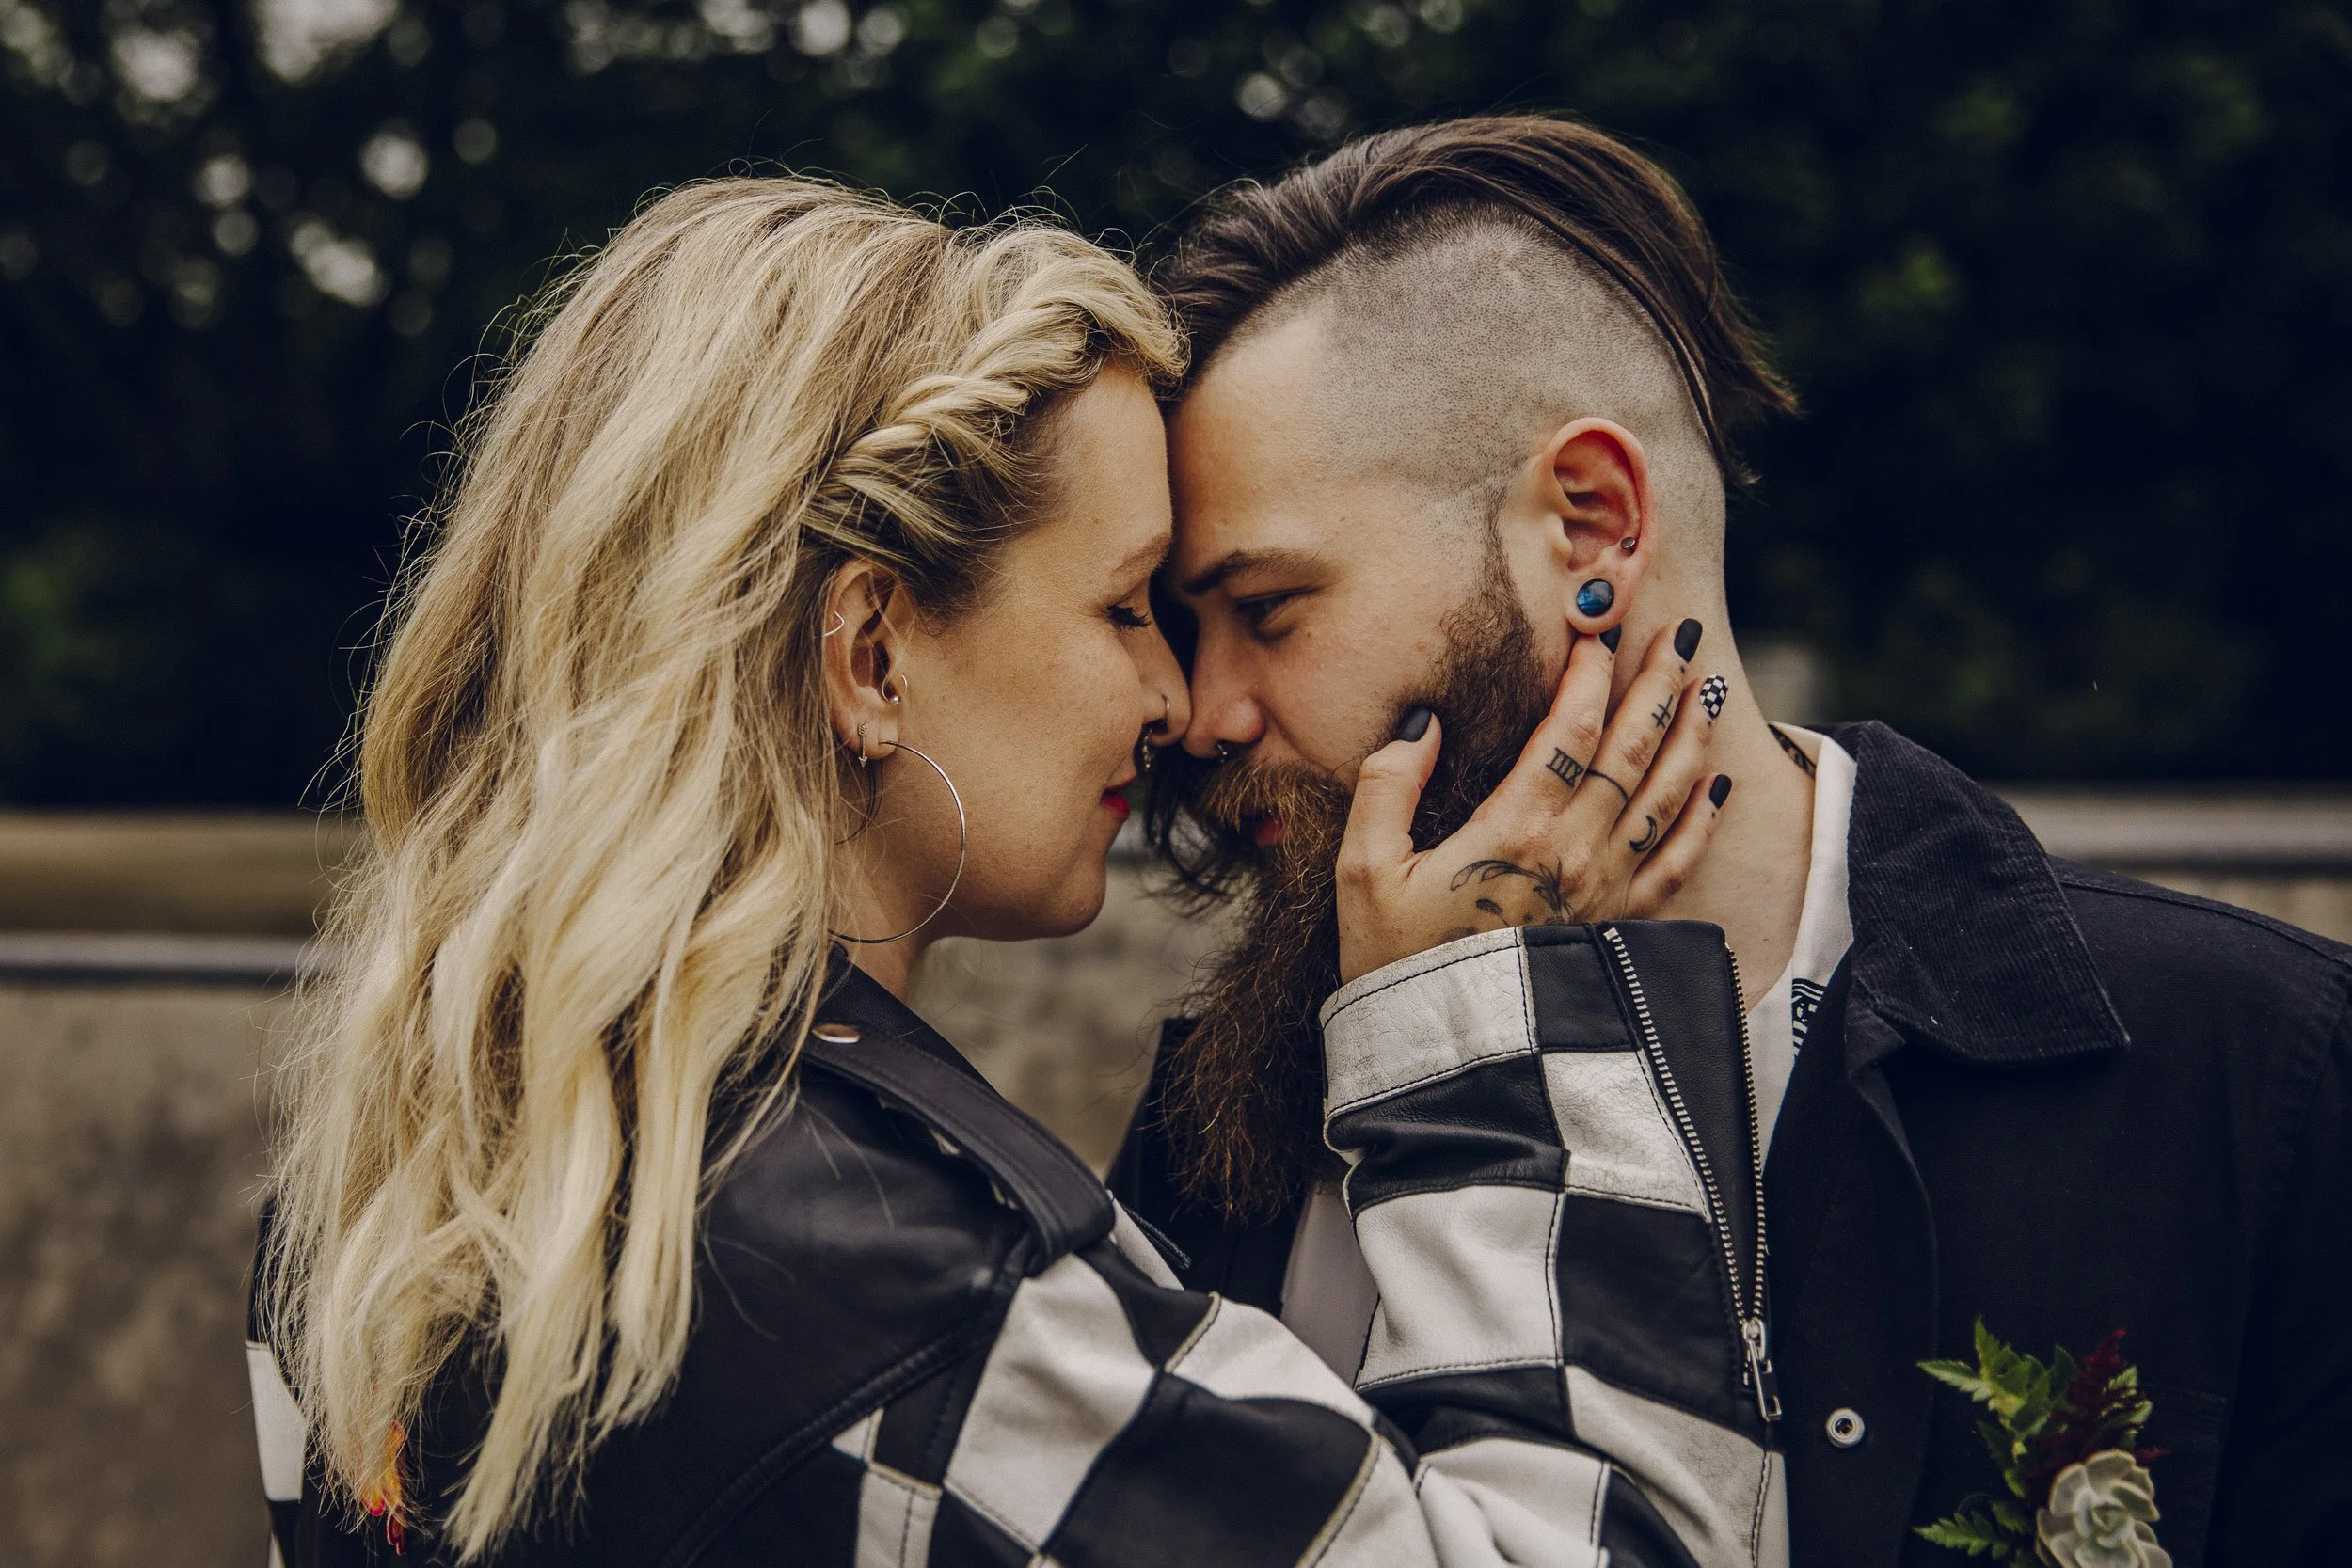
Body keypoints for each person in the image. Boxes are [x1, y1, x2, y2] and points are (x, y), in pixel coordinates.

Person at [247, 175, 1756, 1568]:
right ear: (872, 652)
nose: (1176, 704)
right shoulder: (909, 1293)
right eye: (1124, 609)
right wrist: (1483, 1027)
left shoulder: (388, 1191)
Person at [1118, 116, 2352, 1567]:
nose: (1199, 712)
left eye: (1266, 610)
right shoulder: (1223, 1147)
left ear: (1589, 524)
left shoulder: (2245, 1074)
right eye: (1184, 628)